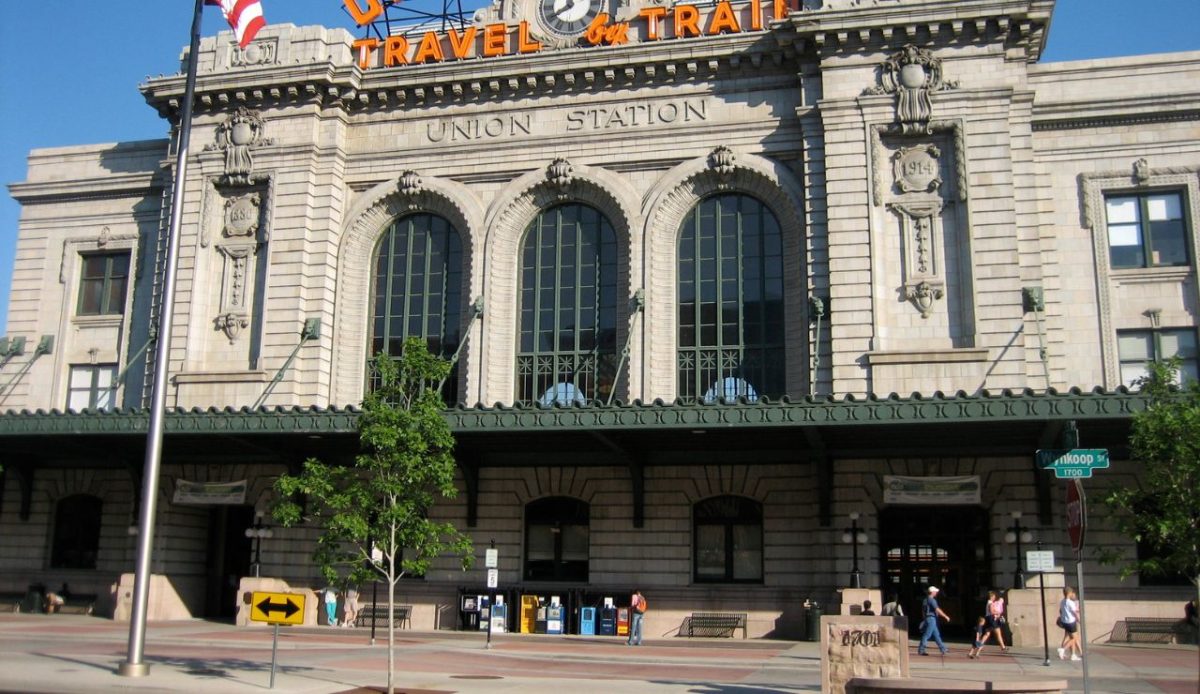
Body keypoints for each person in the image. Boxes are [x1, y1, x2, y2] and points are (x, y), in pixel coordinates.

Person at [917, 585, 950, 656]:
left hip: (928, 618)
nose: (936, 593)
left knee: (936, 635)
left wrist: (924, 619)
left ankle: (943, 648)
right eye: (935, 591)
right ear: (932, 592)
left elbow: (923, 611)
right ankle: (921, 650)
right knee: (927, 635)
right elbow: (937, 609)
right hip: (931, 619)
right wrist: (945, 616)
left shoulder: (925, 600)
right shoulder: (932, 600)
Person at [1057, 586, 1082, 661]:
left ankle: (1073, 655)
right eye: (1071, 593)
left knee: (1071, 638)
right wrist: (1079, 620)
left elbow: (1061, 610)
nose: (1072, 594)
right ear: (1069, 593)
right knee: (1075, 638)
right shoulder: (1070, 602)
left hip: (1065, 622)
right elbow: (1074, 612)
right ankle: (1063, 649)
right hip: (1071, 622)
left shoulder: (1062, 601)